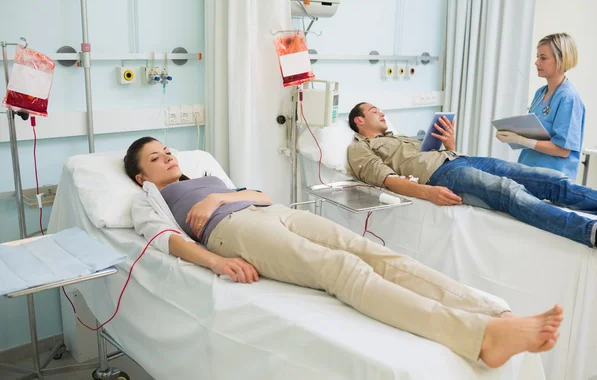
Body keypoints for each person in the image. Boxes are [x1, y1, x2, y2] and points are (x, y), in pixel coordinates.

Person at [124, 136, 563, 369]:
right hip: (232, 232)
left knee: (374, 253)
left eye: (167, 152)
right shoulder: (149, 200)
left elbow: (257, 191)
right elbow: (167, 240)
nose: (167, 158)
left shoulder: (206, 178)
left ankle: (492, 313)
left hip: (265, 210)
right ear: (142, 177)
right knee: (341, 269)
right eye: (156, 159)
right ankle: (477, 336)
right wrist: (218, 262)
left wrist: (216, 197)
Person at [347, 102, 597, 248]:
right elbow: (388, 181)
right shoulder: (359, 148)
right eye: (373, 110)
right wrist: (428, 192)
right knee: (507, 191)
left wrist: (450, 143)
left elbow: (437, 154)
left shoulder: (396, 137)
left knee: (546, 178)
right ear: (359, 121)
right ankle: (589, 230)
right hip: (441, 176)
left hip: (460, 159)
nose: (381, 113)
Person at [496, 33, 585, 180]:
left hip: (552, 180)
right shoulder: (540, 93)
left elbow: (563, 151)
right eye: (537, 57)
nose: (537, 63)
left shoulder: (569, 98)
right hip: (528, 171)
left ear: (561, 60)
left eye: (543, 58)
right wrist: (512, 134)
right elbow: (536, 133)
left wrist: (521, 140)